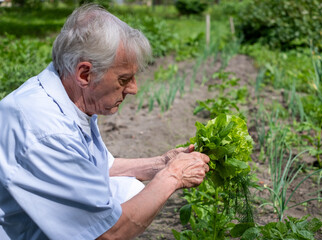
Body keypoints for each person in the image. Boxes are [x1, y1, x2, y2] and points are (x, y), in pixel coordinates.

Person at [0, 4, 210, 240]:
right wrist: (172, 176)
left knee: (128, 190)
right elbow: (107, 233)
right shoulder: (47, 131)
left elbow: (100, 169)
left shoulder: (65, 97)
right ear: (85, 74)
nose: (134, 89)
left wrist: (162, 163)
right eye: (124, 79)